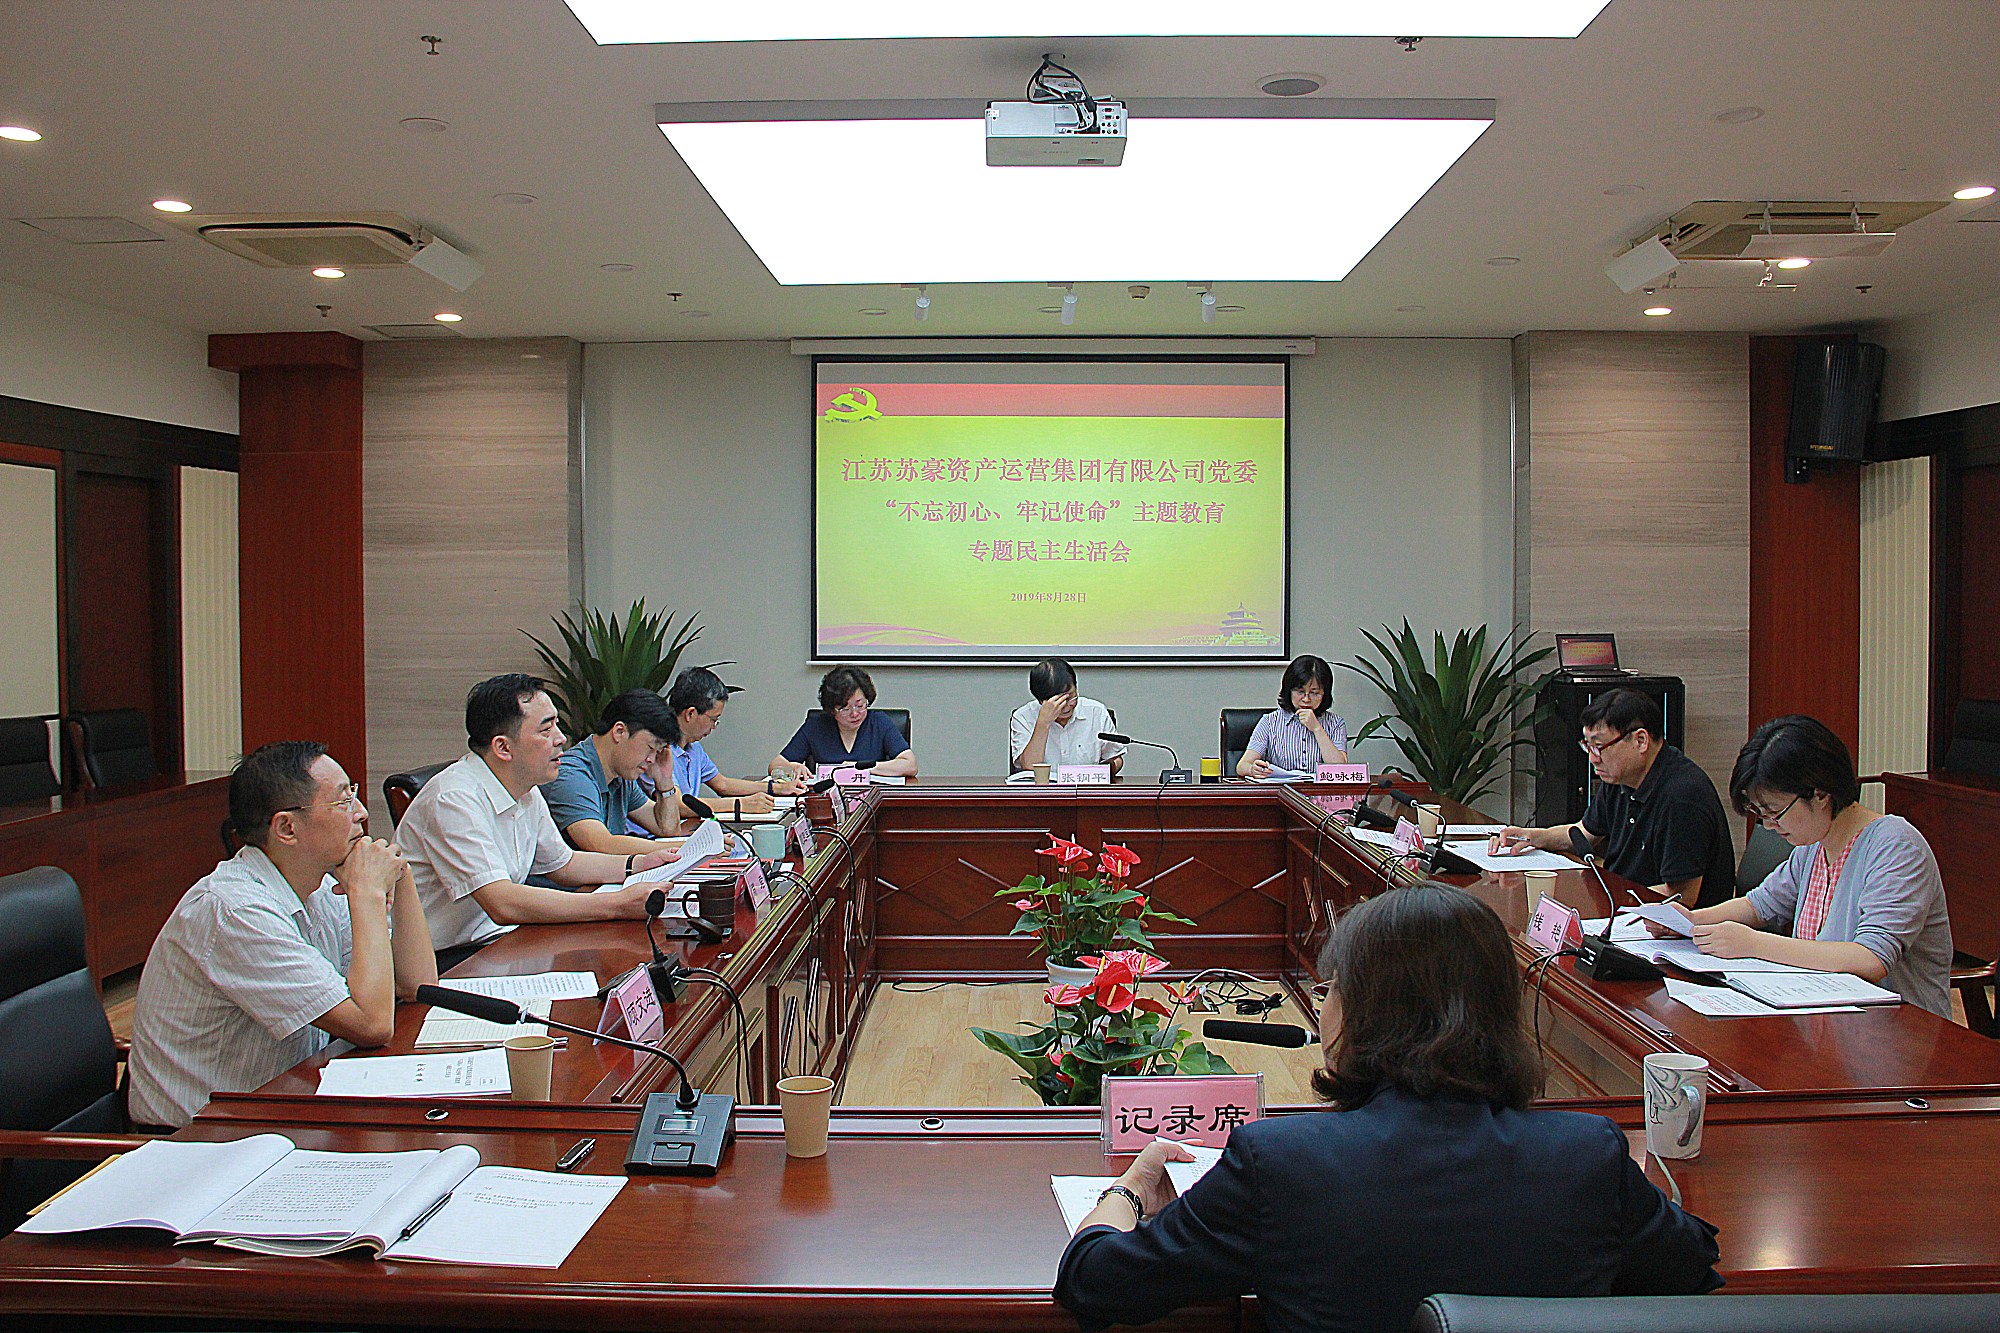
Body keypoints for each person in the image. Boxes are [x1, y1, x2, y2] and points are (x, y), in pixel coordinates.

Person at [1055, 883, 1721, 1333]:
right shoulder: (1586, 1155)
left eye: (1332, 989)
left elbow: (1095, 1283)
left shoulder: (1280, 1161)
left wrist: (1128, 1190)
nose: (1324, 1005)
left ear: (1364, 1011)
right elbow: (1692, 1264)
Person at [127, 742, 437, 1128]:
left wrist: (400, 876)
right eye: (343, 801)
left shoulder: (316, 885)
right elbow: (372, 1025)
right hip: (200, 1138)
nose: (361, 812)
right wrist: (368, 894)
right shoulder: (237, 911)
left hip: (281, 1105)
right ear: (287, 828)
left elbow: (417, 985)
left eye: (354, 794)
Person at [1663, 714, 1954, 1018]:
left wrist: (1753, 943)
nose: (1769, 826)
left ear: (1821, 794)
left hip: (1897, 1028)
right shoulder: (1814, 845)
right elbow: (1758, 905)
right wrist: (1689, 921)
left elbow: (1870, 959)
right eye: (1761, 814)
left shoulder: (1896, 846)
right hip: (1825, 1016)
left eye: (1775, 813)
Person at [398, 673, 674, 961]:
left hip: (499, 940)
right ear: (503, 747)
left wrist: (639, 864)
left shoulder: (526, 789)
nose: (561, 738)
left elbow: (564, 864)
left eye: (556, 724)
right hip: (444, 958)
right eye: (545, 730)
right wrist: (616, 904)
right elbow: (502, 902)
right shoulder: (454, 798)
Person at [1489, 687, 1735, 907]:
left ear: (1640, 741)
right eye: (1588, 746)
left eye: (1599, 747)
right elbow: (1584, 834)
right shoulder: (1620, 779)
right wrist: (1531, 837)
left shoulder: (1682, 796)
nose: (1592, 758)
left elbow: (1682, 896)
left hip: (1672, 929)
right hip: (1624, 907)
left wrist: (1614, 903)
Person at [541, 688, 686, 855]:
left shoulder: (621, 775)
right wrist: (686, 847)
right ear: (619, 732)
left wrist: (665, 780)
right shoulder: (571, 776)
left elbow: (667, 829)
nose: (652, 759)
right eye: (651, 747)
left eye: (658, 752)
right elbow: (602, 845)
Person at [668, 665, 805, 818]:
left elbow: (722, 784)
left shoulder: (694, 748)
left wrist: (777, 788)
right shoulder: (659, 750)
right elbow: (677, 806)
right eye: (713, 719)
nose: (714, 726)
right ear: (690, 714)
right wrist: (740, 805)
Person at [772, 664, 917, 778]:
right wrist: (793, 768)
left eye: (860, 705)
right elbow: (775, 765)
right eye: (845, 709)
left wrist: (862, 768)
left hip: (871, 800)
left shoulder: (879, 722)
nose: (855, 714)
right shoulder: (816, 726)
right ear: (832, 709)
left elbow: (910, 765)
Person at [1237, 654, 1348, 778]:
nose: (1306, 699)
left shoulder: (1336, 723)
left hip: (1320, 790)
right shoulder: (1270, 722)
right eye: (1300, 692)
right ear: (1289, 690)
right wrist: (1252, 769)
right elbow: (1242, 766)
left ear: (1324, 693)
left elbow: (1340, 769)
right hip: (1282, 789)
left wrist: (1317, 729)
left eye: (1314, 693)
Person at [1009, 657, 1124, 775]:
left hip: (1086, 786)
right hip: (1044, 787)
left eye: (1070, 698)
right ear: (1040, 701)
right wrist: (1043, 723)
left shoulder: (1096, 712)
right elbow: (1029, 768)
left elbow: (1116, 758)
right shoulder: (1023, 717)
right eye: (1058, 702)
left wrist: (1107, 770)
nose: (1066, 707)